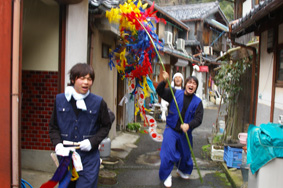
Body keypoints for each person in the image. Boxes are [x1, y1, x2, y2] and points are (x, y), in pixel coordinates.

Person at [49, 63, 112, 188]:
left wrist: (92, 142)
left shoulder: (98, 102)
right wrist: (58, 145)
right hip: (66, 157)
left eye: (89, 79)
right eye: (82, 78)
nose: (86, 82)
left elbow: (106, 126)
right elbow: (53, 127)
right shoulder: (60, 100)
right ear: (73, 80)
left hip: (89, 158)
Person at [157, 71, 203, 188]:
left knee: (186, 154)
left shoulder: (198, 102)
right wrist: (164, 81)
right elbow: (160, 91)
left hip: (185, 132)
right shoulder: (175, 92)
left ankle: (182, 170)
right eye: (189, 82)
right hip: (171, 129)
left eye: (194, 84)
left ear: (196, 87)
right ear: (185, 84)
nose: (191, 85)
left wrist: (189, 125)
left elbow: (198, 119)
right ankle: (166, 175)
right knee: (168, 153)